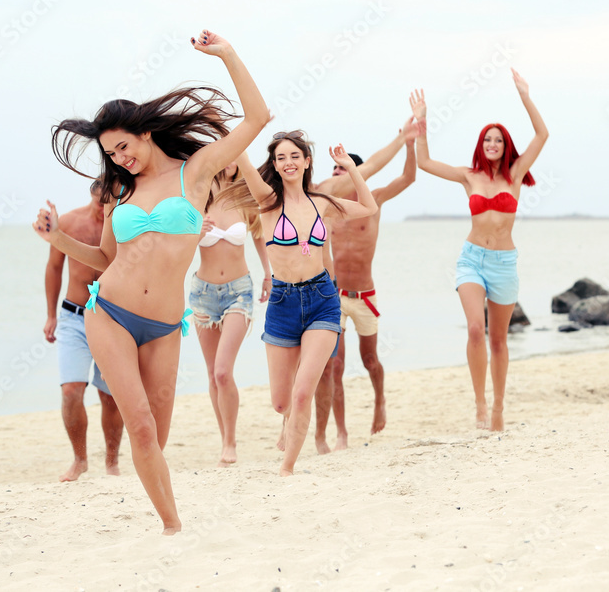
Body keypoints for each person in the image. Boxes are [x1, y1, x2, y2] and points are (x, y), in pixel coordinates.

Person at [33, 30, 269, 534]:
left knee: (155, 437)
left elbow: (257, 119)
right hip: (110, 312)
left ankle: (165, 518)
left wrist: (227, 54)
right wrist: (57, 237)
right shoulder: (123, 192)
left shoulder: (196, 171)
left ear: (144, 133)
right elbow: (102, 256)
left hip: (164, 324)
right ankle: (172, 530)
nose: (120, 159)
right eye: (111, 155)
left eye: (123, 147)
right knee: (138, 423)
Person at [227, 133, 378, 475]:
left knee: (301, 394)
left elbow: (369, 207)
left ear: (307, 161)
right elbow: (245, 160)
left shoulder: (321, 202)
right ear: (276, 165)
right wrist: (229, 131)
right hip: (283, 302)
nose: (289, 162)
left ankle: (287, 468)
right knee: (281, 401)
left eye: (295, 155)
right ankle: (287, 424)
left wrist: (352, 168)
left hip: (323, 299)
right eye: (281, 158)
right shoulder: (267, 201)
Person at [410, 70, 548, 431]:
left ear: (505, 147)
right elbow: (424, 163)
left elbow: (542, 135)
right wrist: (422, 121)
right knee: (475, 330)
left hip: (504, 263)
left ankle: (500, 406)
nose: (492, 144)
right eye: (487, 139)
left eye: (498, 140)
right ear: (480, 144)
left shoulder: (515, 174)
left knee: (499, 340)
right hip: (472, 259)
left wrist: (525, 96)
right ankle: (480, 404)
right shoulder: (468, 176)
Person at [313, 135, 416, 454]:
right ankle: (341, 432)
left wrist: (410, 143)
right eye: (332, 170)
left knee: (370, 360)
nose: (335, 175)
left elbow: (409, 177)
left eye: (341, 169)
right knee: (336, 365)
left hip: (365, 296)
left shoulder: (374, 200)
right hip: (335, 296)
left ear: (356, 173)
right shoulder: (328, 208)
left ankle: (380, 400)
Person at [190, 161, 270, 466]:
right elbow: (177, 244)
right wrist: (196, 233)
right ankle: (224, 438)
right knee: (213, 375)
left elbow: (260, 236)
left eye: (237, 152)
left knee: (223, 371)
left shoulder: (245, 196)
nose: (231, 159)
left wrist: (268, 274)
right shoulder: (198, 195)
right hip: (203, 294)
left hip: (239, 290)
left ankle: (231, 441)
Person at [44, 179, 124, 482]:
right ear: (92, 198)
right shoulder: (69, 222)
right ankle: (79, 459)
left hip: (111, 317)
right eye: (101, 206)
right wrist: (51, 315)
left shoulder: (122, 225)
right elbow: (54, 268)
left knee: (110, 396)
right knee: (71, 390)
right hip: (73, 316)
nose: (106, 212)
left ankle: (112, 461)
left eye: (112, 206)